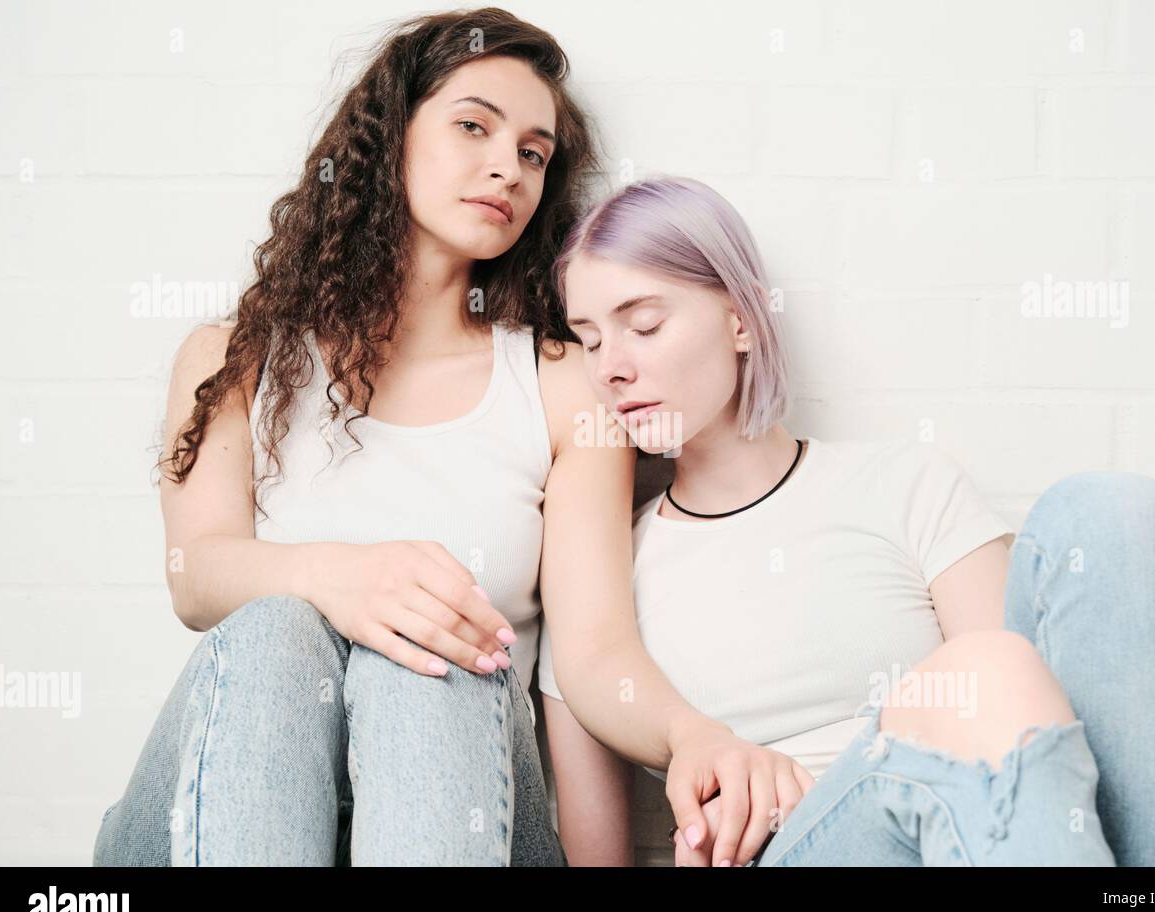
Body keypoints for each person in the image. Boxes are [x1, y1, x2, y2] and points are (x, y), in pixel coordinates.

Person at [93, 11, 806, 866]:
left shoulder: (558, 382)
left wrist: (693, 735)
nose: (508, 166)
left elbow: (594, 650)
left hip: (465, 805)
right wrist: (352, 579)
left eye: (534, 153)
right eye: (474, 125)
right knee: (273, 629)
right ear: (390, 137)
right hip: (221, 808)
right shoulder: (234, 358)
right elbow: (197, 576)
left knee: (438, 642)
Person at [538, 176, 1155, 866]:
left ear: (740, 319)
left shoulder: (905, 485)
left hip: (974, 835)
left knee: (1117, 516)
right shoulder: (596, 586)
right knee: (981, 675)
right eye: (590, 341)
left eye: (645, 324)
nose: (610, 370)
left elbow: (1024, 733)